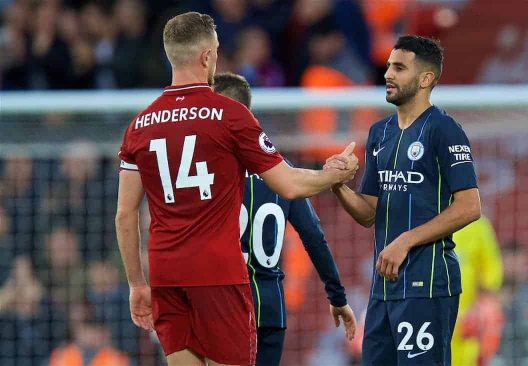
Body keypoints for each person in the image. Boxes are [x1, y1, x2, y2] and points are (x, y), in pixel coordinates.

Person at [115, 12, 358, 366]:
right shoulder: (229, 114)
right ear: (207, 56)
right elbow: (288, 185)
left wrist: (137, 284)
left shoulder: (140, 124)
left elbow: (124, 215)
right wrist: (334, 176)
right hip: (218, 275)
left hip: (166, 276)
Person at [325, 35, 481, 365]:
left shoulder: (444, 129)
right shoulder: (379, 132)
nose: (387, 74)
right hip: (384, 287)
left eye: (399, 67)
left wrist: (405, 241)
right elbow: (368, 212)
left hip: (427, 283)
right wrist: (337, 185)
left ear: (426, 79)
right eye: (387, 66)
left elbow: (469, 206)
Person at [212, 72, 357, 366]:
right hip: (270, 310)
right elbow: (313, 236)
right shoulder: (284, 170)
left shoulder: (207, 172)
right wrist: (337, 297)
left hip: (224, 305)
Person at [452, 216, 504, 366]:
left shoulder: (477, 225)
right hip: (429, 322)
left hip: (465, 329)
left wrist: (483, 311)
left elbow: (491, 275)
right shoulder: (419, 218)